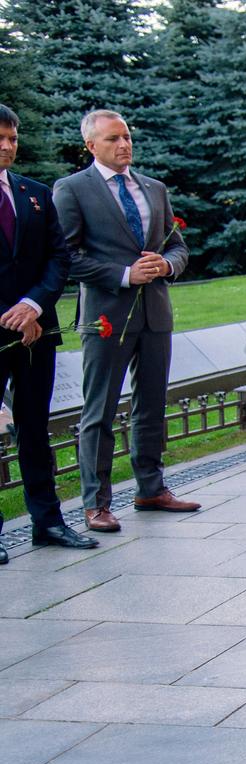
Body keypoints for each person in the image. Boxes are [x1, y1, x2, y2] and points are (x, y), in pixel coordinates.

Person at [52, 110, 198, 534]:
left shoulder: (154, 189)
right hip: (106, 317)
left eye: (128, 137)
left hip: (155, 313)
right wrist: (123, 274)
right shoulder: (73, 189)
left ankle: (150, 488)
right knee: (99, 409)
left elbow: (178, 247)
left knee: (151, 404)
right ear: (91, 146)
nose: (124, 145)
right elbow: (67, 256)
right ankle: (96, 503)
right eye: (113, 139)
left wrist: (166, 265)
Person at [0, 105, 99, 562]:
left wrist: (34, 306)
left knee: (35, 427)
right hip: (4, 329)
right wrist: (12, 313)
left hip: (37, 331)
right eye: (0, 138)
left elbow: (58, 258)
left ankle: (49, 522)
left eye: (13, 138)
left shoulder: (35, 194)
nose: (7, 146)